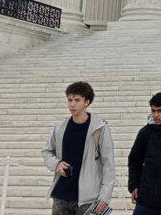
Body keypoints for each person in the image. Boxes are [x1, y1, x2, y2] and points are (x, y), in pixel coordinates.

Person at [42, 81, 115, 215]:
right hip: (61, 197)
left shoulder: (99, 128)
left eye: (77, 100)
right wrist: (56, 163)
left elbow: (108, 164)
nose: (72, 104)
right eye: (69, 100)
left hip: (88, 199)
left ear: (87, 102)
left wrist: (105, 197)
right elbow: (46, 151)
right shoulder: (60, 128)